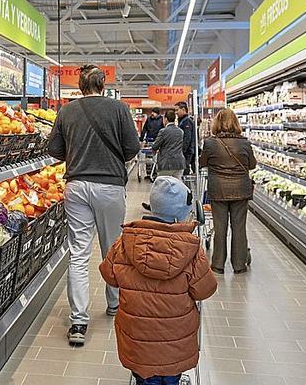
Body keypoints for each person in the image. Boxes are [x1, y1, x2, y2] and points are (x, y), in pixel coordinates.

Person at [47, 65, 141, 346]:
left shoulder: (66, 111)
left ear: (79, 85)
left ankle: (78, 321)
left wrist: (76, 152)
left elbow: (54, 150)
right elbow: (132, 147)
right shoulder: (120, 109)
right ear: (103, 84)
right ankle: (114, 304)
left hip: (76, 186)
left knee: (78, 253)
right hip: (110, 186)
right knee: (112, 248)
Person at [100, 176, 217, 385]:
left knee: (145, 379)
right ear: (183, 212)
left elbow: (108, 274)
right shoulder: (191, 250)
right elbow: (205, 290)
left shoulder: (125, 242)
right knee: (170, 378)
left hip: (137, 342)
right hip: (175, 344)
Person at [199, 108, 256, 274]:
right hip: (240, 190)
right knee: (239, 228)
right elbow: (252, 165)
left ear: (217, 123)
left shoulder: (210, 143)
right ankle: (239, 265)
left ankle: (218, 264)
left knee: (220, 227)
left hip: (218, 190)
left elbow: (203, 163)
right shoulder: (244, 143)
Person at [151, 109, 185, 180]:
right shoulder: (181, 132)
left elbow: (155, 146)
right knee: (177, 186)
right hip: (179, 163)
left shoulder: (163, 131)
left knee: (164, 186)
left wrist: (154, 151)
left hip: (166, 164)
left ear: (165, 119)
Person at [175, 102, 195, 174]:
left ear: (183, 109)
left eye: (177, 110)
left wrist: (182, 150)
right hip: (185, 151)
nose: (176, 112)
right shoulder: (182, 121)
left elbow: (187, 138)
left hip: (187, 152)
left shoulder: (187, 121)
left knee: (184, 171)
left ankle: (185, 185)